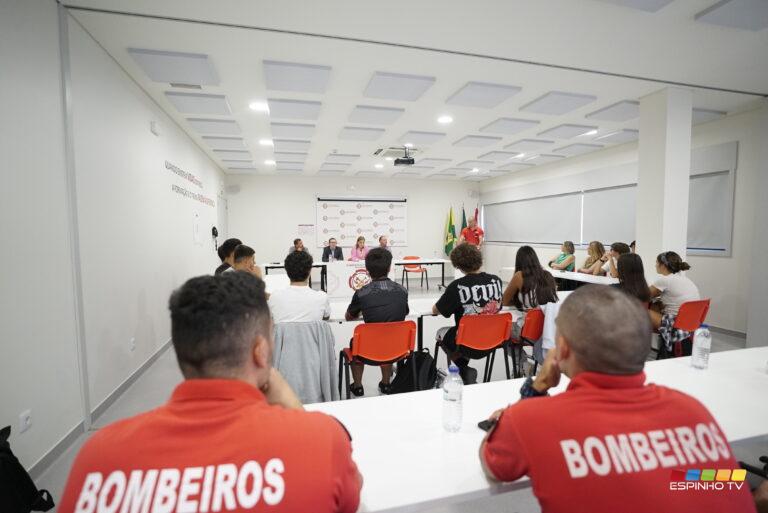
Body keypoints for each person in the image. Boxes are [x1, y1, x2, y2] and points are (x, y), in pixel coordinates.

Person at [59, 272, 362, 513]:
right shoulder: (322, 439)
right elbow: (351, 500)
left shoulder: (98, 459)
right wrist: (295, 410)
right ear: (260, 351)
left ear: (182, 349)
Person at [479, 285, 754, 513]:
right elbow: (725, 483)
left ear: (562, 349)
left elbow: (493, 466)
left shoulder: (531, 419)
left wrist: (537, 388)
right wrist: (656, 474)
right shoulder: (692, 411)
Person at [433, 243, 503, 384]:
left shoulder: (457, 286)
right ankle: (463, 370)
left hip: (467, 342)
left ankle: (462, 370)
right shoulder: (497, 281)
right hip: (493, 339)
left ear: (458, 266)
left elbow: (437, 310)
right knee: (468, 330)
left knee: (441, 333)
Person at [345, 248, 408, 395]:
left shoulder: (361, 293)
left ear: (367, 270)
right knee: (388, 338)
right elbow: (405, 312)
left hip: (367, 349)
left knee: (357, 343)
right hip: (397, 348)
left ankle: (358, 386)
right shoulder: (402, 290)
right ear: (389, 268)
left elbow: (349, 317)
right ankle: (386, 383)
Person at [503, 246, 558, 375]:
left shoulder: (519, 276)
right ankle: (523, 365)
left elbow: (504, 301)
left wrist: (520, 302)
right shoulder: (548, 276)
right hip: (547, 331)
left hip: (528, 331)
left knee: (503, 331)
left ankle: (521, 363)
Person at [269, 250, 330, 322]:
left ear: (287, 271)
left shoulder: (274, 297)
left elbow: (271, 319)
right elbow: (326, 317)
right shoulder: (322, 297)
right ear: (310, 271)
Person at [649, 251, 700, 331]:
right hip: (691, 322)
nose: (655, 265)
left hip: (675, 324)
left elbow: (644, 295)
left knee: (639, 311)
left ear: (663, 265)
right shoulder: (685, 279)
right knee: (656, 305)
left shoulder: (665, 280)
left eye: (656, 262)